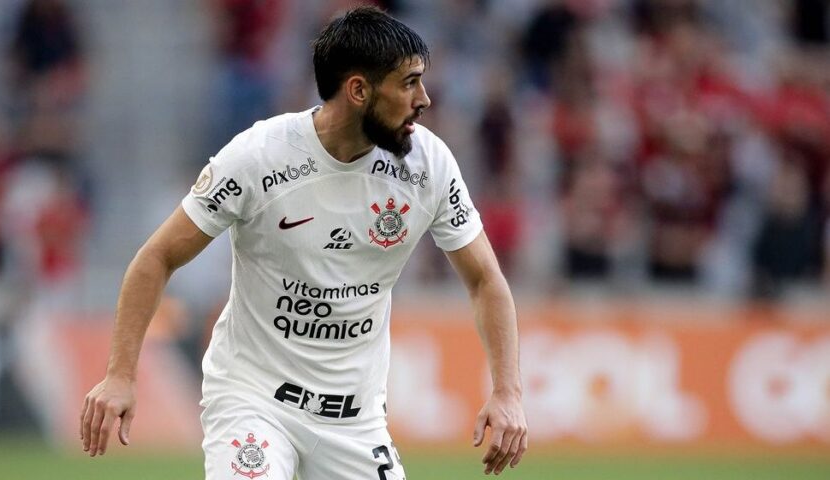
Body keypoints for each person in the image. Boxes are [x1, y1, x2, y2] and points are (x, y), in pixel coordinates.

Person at [79, 6, 527, 478]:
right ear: (358, 90)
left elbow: (484, 280)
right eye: (409, 83)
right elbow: (158, 257)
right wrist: (120, 375)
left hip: (355, 421)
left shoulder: (428, 164)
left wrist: (508, 392)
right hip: (253, 400)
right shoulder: (259, 157)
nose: (425, 99)